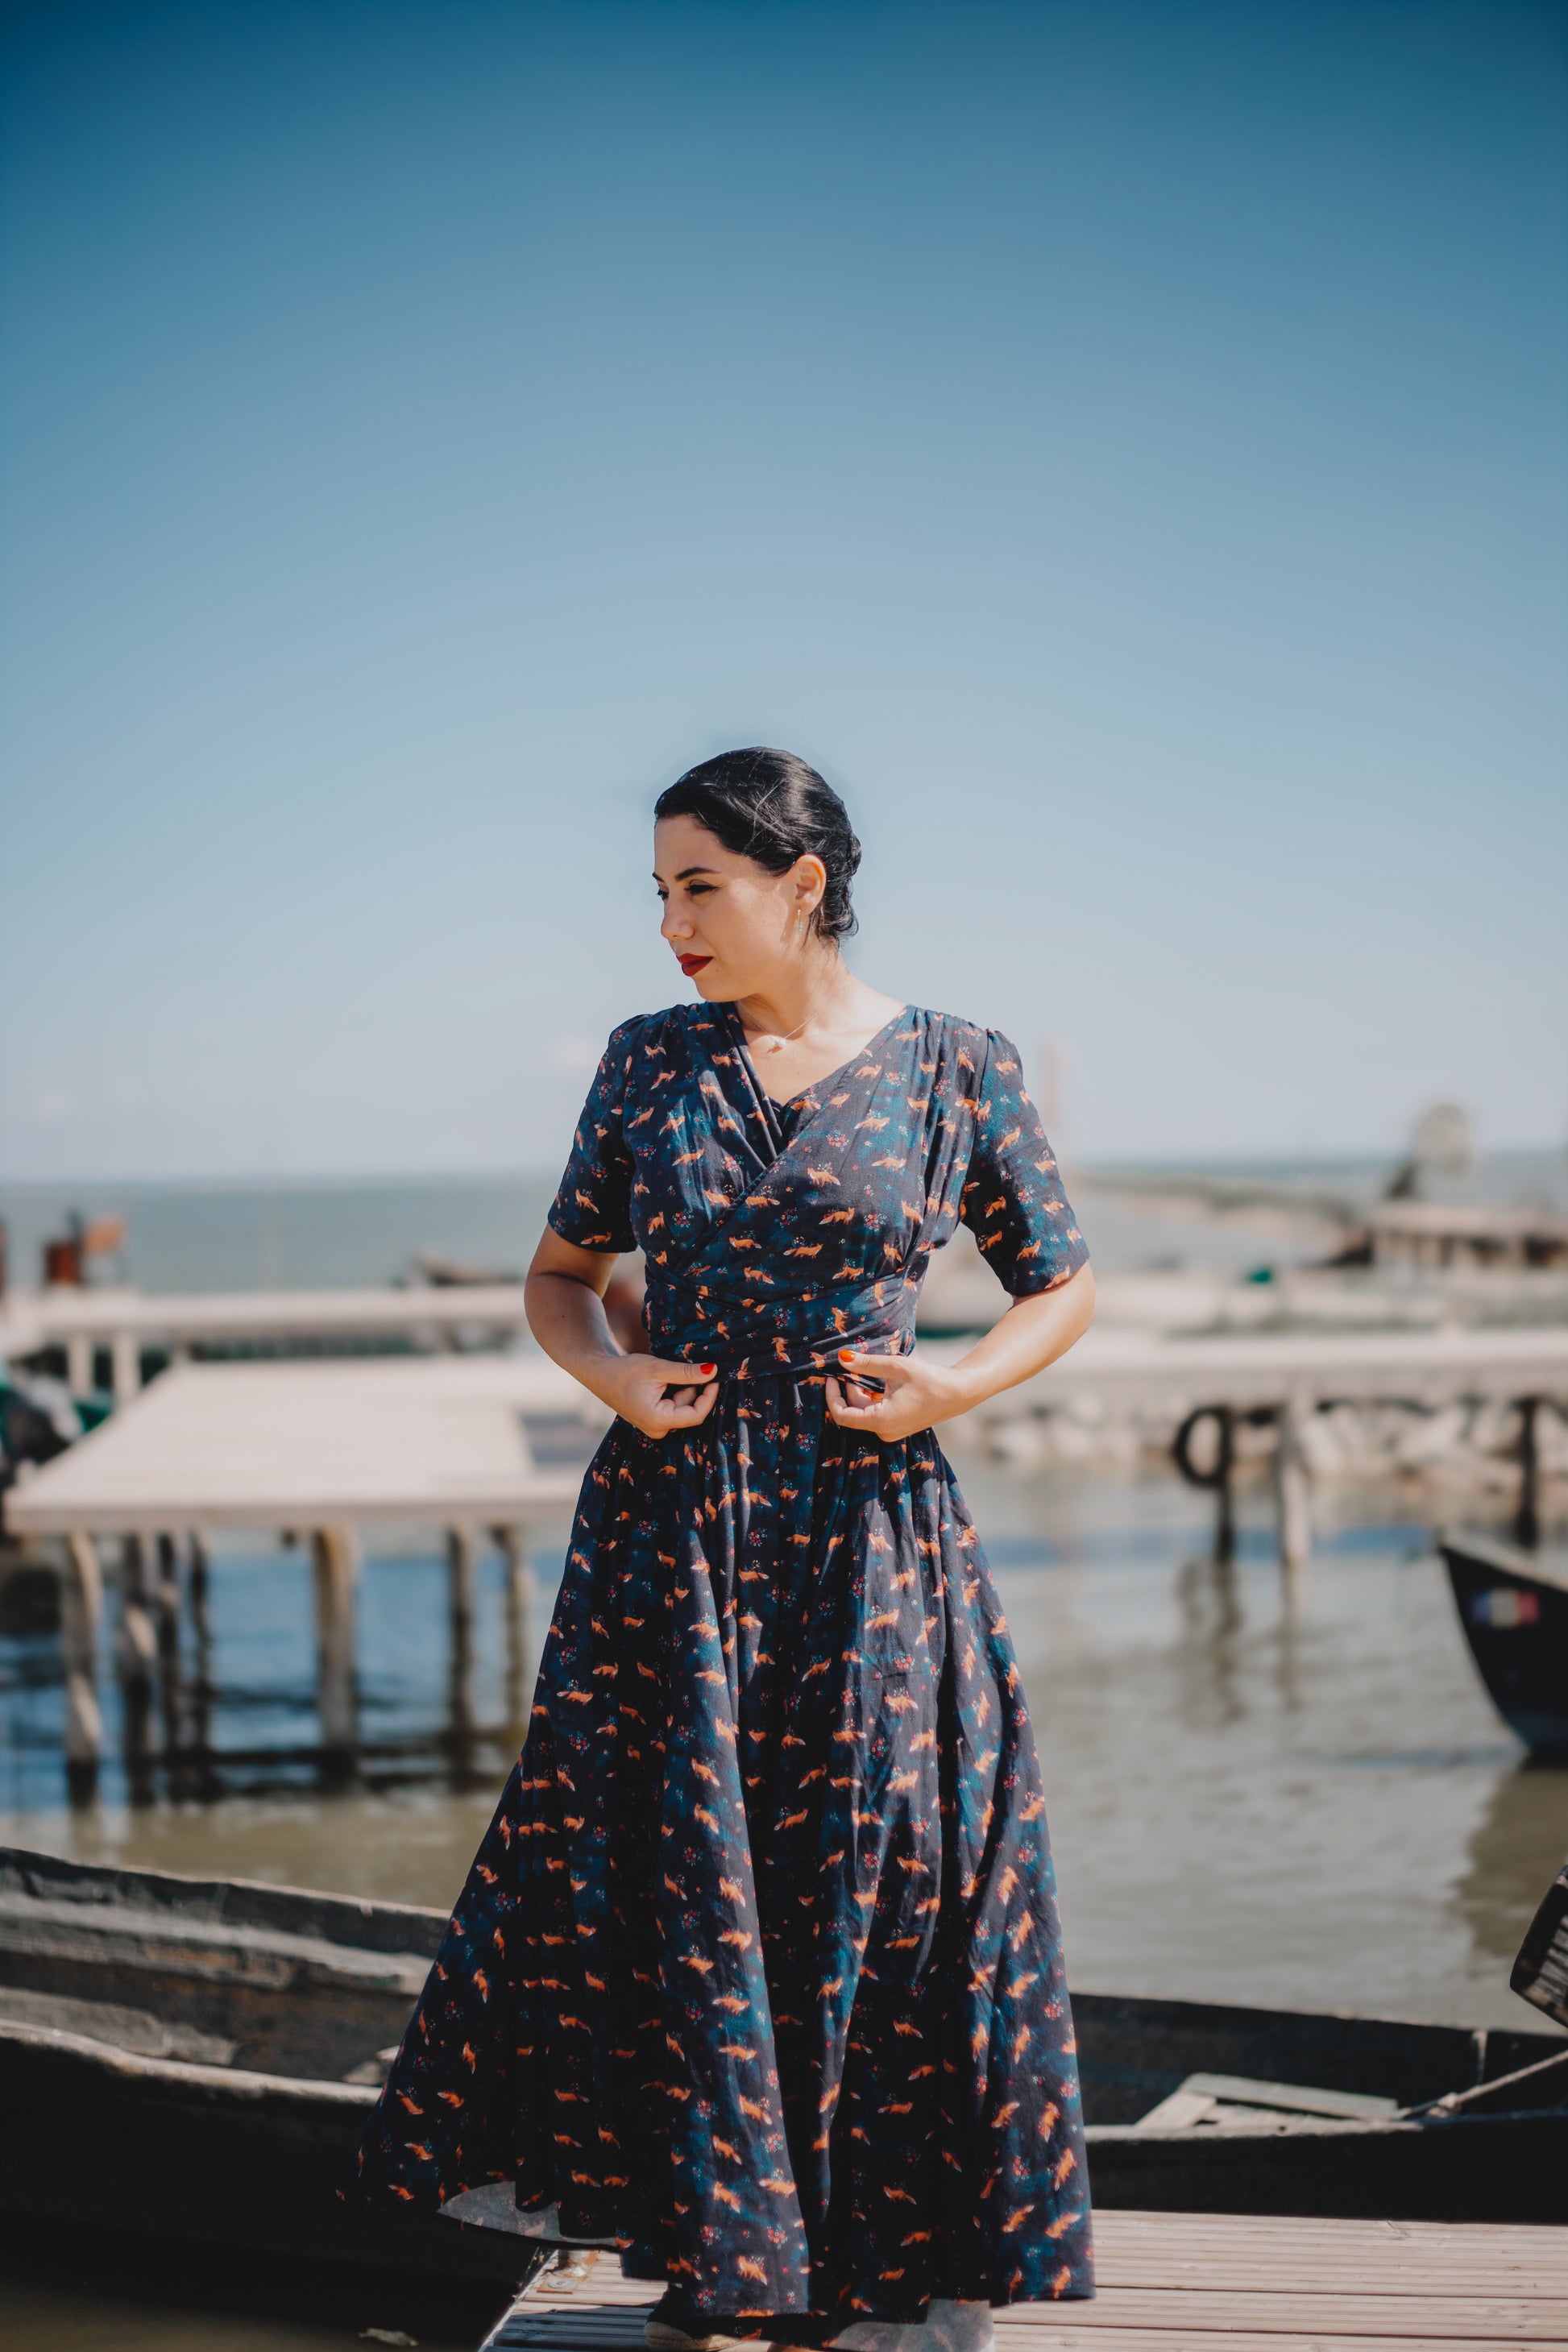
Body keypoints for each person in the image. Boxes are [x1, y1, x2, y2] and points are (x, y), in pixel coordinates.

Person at [353, 749, 1097, 2350]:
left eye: (701, 885)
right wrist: (617, 1376)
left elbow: (1062, 1283)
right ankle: (717, 2255)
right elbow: (561, 1277)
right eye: (660, 892)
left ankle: (844, 2264)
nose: (672, 923)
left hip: (866, 1531)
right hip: (669, 1537)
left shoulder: (958, 1065)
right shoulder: (649, 1062)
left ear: (802, 883)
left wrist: (950, 1383)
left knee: (865, 1878)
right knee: (672, 1883)